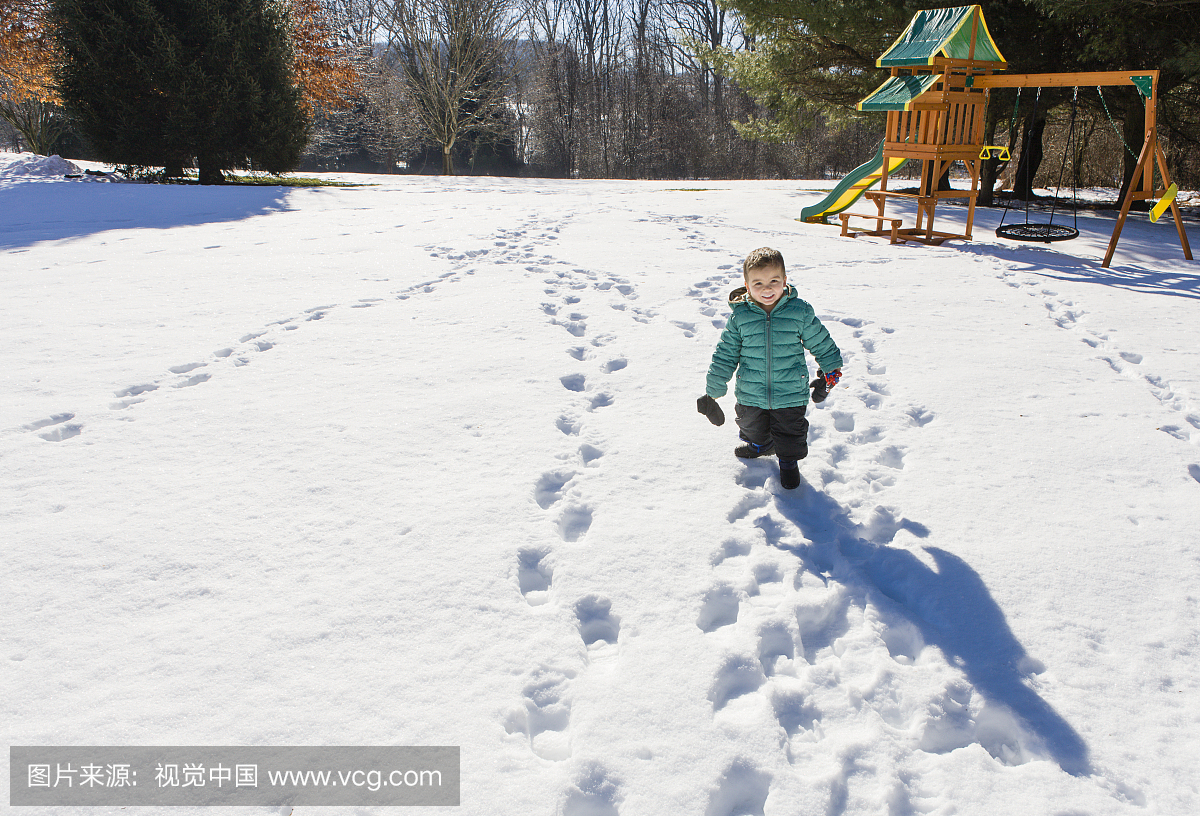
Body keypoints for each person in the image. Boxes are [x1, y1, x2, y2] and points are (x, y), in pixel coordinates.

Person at [697, 247, 843, 490]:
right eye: (758, 283)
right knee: (751, 427)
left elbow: (822, 343)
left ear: (785, 281)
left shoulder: (799, 312)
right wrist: (712, 392)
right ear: (746, 285)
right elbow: (725, 355)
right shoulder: (740, 317)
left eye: (774, 281)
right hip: (751, 392)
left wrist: (830, 373)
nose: (767, 289)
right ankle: (760, 446)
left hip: (790, 392)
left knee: (791, 433)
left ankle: (787, 462)